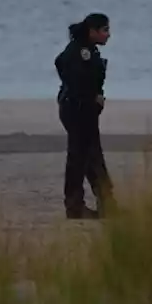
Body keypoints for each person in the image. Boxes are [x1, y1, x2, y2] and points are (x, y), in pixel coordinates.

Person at [54, 12, 113, 219]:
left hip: (81, 108)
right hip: (77, 109)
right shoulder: (79, 51)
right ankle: (75, 206)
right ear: (92, 31)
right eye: (104, 30)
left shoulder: (88, 50)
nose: (108, 35)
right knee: (80, 157)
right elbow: (65, 67)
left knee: (90, 156)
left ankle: (104, 203)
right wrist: (90, 97)